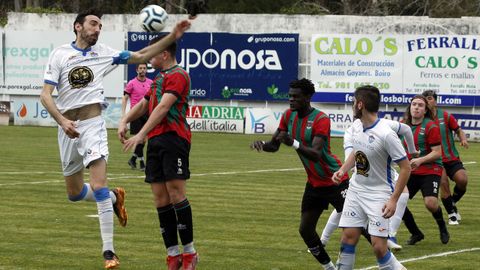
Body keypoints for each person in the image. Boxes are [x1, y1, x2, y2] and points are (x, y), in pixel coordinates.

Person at [40, 9, 191, 269]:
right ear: (77, 26)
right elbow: (45, 95)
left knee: (97, 184)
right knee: (75, 194)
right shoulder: (60, 54)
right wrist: (62, 121)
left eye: (100, 25)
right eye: (93, 24)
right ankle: (113, 198)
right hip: (67, 127)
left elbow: (142, 56)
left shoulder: (105, 54)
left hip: (92, 125)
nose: (98, 29)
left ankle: (109, 252)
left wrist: (173, 36)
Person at [117, 34, 197, 270]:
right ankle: (173, 255)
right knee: (160, 198)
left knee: (175, 194)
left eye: (153, 52)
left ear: (164, 53)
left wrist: (140, 135)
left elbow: (163, 107)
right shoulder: (158, 79)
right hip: (156, 141)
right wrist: (124, 120)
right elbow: (144, 104)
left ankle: (190, 253)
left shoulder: (179, 75)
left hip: (174, 139)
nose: (148, 56)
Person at [251, 78, 348, 270]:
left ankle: (388, 260)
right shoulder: (288, 116)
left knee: (358, 226)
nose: (291, 100)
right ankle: (329, 267)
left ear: (308, 97)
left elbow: (316, 154)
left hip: (336, 179)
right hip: (314, 184)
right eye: (290, 96)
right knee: (305, 230)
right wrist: (262, 144)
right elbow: (275, 145)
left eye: (296, 97)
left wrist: (292, 142)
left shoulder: (321, 119)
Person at [332, 85, 411, 270]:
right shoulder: (358, 126)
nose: (352, 106)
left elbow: (406, 168)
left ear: (360, 104)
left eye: (353, 102)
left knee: (379, 248)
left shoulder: (386, 134)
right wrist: (343, 170)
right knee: (347, 239)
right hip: (356, 190)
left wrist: (393, 200)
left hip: (379, 195)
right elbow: (357, 151)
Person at [320, 117, 417, 251]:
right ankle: (323, 240)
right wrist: (344, 170)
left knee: (403, 194)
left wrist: (412, 152)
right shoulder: (352, 131)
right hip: (363, 176)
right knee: (344, 209)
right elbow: (353, 154)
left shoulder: (383, 126)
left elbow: (406, 129)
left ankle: (390, 235)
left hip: (380, 173)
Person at [400, 95, 449, 245]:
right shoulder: (402, 125)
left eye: (420, 105)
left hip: (430, 169)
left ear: (425, 109)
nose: (416, 107)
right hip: (410, 170)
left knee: (430, 203)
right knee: (397, 201)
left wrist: (420, 160)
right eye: (414, 104)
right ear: (410, 107)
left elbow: (437, 152)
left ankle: (442, 226)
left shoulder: (431, 126)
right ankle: (416, 233)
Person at [422, 90, 469, 225]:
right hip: (436, 160)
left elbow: (458, 130)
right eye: (425, 99)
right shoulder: (422, 120)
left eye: (430, 98)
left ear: (435, 101)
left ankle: (452, 201)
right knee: (443, 183)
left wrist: (463, 139)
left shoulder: (446, 116)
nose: (427, 101)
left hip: (452, 157)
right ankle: (452, 214)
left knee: (462, 180)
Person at [121, 63, 153, 171]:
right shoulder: (132, 83)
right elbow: (125, 98)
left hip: (147, 113)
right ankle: (142, 162)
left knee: (144, 140)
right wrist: (124, 114)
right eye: (140, 68)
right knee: (139, 139)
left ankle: (133, 159)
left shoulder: (150, 83)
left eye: (144, 68)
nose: (142, 70)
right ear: (136, 70)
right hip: (135, 113)